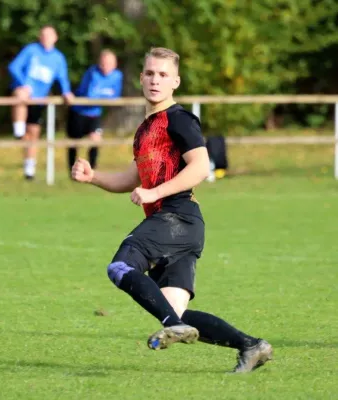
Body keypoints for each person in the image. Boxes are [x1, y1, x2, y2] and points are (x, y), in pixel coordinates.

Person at [70, 47, 272, 373]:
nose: (155, 80)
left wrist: (156, 191)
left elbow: (201, 166)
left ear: (175, 81)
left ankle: (171, 325)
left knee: (120, 267)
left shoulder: (178, 119)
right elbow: (134, 177)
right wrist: (93, 177)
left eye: (163, 75)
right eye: (150, 73)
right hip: (182, 226)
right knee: (176, 313)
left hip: (176, 216)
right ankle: (251, 346)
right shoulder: (145, 129)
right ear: (140, 78)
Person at [8, 25, 75, 180]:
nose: (46, 38)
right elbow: (14, 67)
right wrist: (23, 83)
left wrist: (66, 92)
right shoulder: (31, 50)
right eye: (43, 35)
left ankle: (29, 170)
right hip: (24, 95)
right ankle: (18, 129)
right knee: (20, 94)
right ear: (39, 37)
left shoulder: (58, 58)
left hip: (39, 99)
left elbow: (62, 78)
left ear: (55, 38)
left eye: (49, 35)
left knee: (33, 134)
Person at [66, 49, 123, 172]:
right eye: (103, 63)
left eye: (109, 64)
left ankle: (92, 169)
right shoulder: (93, 72)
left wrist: (102, 95)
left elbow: (115, 96)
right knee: (74, 143)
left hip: (94, 113)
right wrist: (106, 94)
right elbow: (90, 95)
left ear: (115, 64)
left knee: (96, 139)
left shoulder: (117, 76)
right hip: (78, 112)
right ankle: (72, 170)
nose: (106, 67)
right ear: (99, 63)